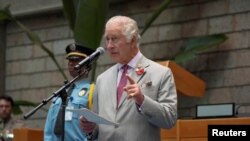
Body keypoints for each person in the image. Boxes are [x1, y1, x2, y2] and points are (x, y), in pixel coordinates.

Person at [80, 15, 177, 141]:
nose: (109, 46)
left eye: (114, 39)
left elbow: (169, 119)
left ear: (132, 39)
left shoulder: (160, 73)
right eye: (107, 39)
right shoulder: (102, 79)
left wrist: (142, 100)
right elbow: (98, 126)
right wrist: (90, 128)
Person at [44, 43, 95, 141]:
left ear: (87, 64)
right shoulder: (59, 93)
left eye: (76, 60)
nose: (71, 63)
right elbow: (48, 130)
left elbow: (96, 129)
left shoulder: (92, 90)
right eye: (70, 60)